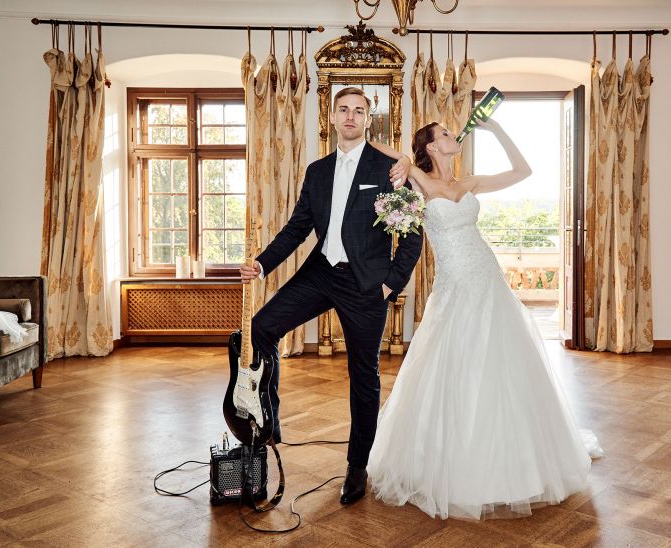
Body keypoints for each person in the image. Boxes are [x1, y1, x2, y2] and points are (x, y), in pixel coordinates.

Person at [365, 119, 603, 519]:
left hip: (487, 278)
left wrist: (494, 129)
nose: (452, 138)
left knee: (502, 364)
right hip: (453, 284)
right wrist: (393, 151)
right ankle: (451, 460)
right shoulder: (420, 179)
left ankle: (513, 458)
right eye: (443, 135)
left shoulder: (470, 182)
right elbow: (382, 149)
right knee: (454, 364)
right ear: (431, 147)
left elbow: (523, 171)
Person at [239, 87, 422, 505]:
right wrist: (262, 264)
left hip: (366, 286)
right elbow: (296, 228)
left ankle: (357, 466)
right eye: (344, 109)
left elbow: (411, 236)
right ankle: (269, 420)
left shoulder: (391, 169)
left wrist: (391, 284)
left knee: (364, 377)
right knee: (261, 327)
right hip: (321, 273)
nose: (351, 116)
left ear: (368, 120)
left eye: (360, 111)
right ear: (333, 116)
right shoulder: (317, 171)